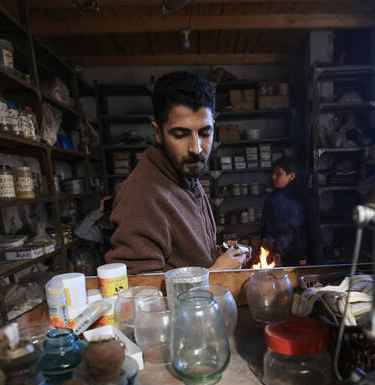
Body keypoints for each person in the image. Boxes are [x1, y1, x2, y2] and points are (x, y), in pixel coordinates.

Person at [104, 71, 248, 274]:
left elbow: (188, 259)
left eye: (205, 133)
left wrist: (221, 254)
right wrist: (216, 273)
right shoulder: (141, 196)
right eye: (181, 134)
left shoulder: (185, 174)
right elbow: (140, 290)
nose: (196, 148)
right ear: (157, 133)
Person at [260, 156, 324, 267]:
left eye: (279, 174)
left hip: (299, 256)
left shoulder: (304, 198)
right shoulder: (271, 198)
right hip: (276, 256)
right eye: (273, 173)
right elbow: (265, 226)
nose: (273, 177)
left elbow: (314, 230)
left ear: (291, 176)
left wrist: (318, 264)